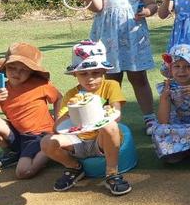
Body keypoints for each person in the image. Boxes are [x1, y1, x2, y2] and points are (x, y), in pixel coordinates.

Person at [72, 0, 157, 134]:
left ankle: (150, 118)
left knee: (138, 77)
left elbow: (152, 4)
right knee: (110, 78)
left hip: (132, 33)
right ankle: (107, 118)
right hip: (107, 35)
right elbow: (98, 7)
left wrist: (147, 11)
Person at [40, 41, 131, 196]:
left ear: (104, 71)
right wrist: (73, 111)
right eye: (83, 74)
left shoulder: (111, 85)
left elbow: (117, 114)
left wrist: (102, 112)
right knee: (47, 142)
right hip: (77, 140)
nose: (90, 79)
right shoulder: (71, 95)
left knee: (110, 126)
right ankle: (74, 167)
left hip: (101, 139)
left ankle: (111, 172)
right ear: (75, 74)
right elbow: (58, 127)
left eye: (95, 73)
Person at [0, 43, 61, 179]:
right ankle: (12, 154)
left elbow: (58, 98)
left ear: (31, 72)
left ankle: (51, 148)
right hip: (18, 134)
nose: (16, 73)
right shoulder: (2, 88)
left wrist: (58, 123)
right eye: (12, 67)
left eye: (23, 70)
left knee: (22, 172)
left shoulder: (40, 84)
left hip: (39, 136)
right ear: (5, 67)